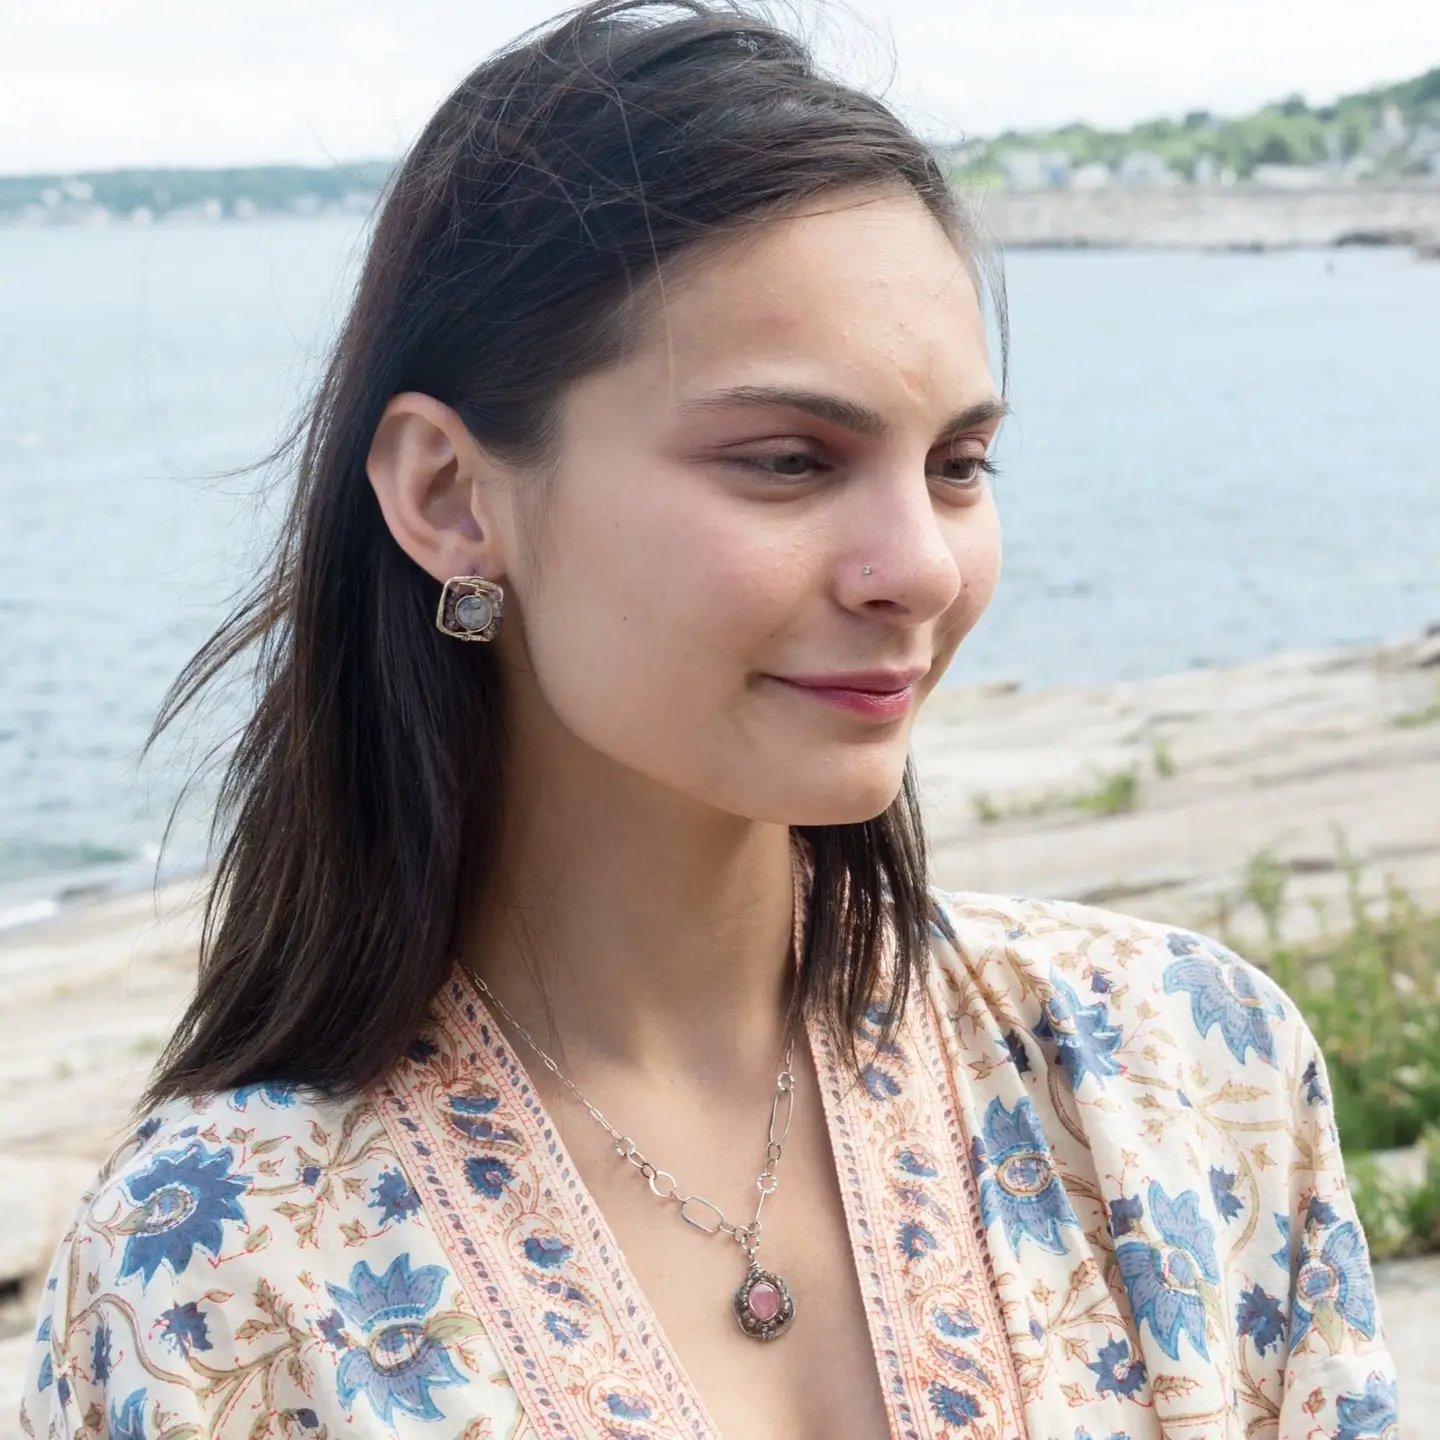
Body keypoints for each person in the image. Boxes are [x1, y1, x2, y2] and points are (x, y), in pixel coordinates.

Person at [19, 3, 1397, 1437]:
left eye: (959, 464)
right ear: (448, 496)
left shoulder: (1178, 1072)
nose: (922, 568)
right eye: (789, 460)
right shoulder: (214, 1276)